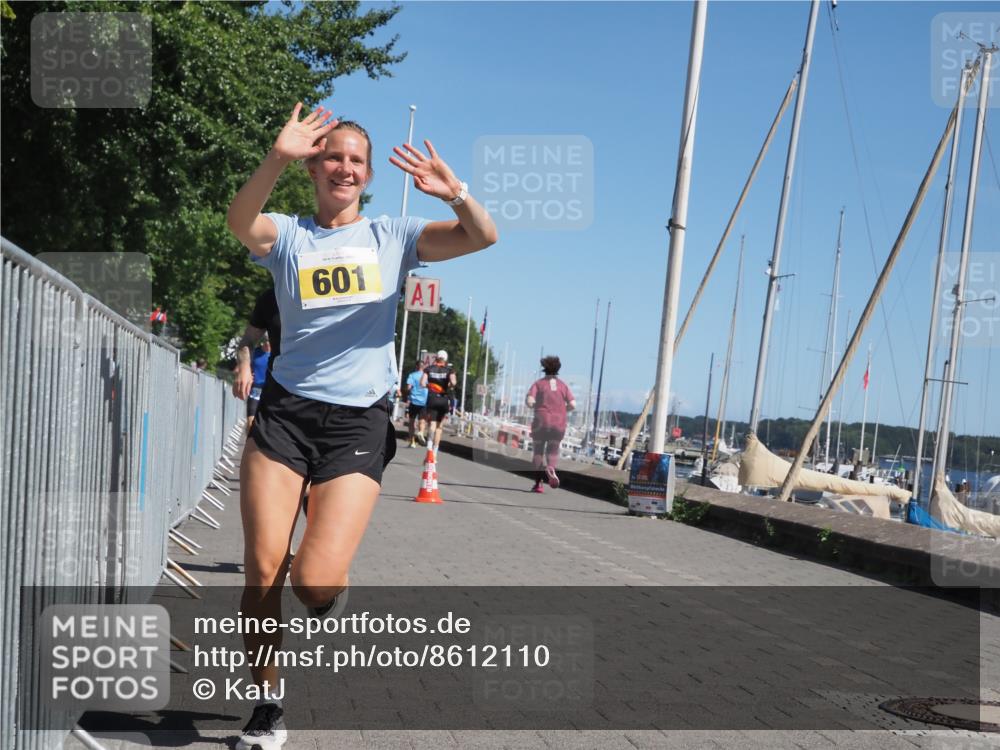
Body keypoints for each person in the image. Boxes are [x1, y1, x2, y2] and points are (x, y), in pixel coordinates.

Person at [226, 102, 497, 749]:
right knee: (261, 570)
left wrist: (456, 193)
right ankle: (267, 704)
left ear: (368, 175)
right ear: (314, 167)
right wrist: (275, 155)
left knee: (311, 582)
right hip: (286, 414)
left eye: (355, 160)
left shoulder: (394, 237)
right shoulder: (289, 236)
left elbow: (482, 237)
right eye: (332, 157)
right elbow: (240, 222)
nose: (343, 167)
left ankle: (323, 585)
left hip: (356, 423)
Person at [233, 288, 282, 434]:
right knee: (251, 424)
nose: (267, 344)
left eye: (269, 342)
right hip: (256, 391)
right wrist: (243, 370)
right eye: (265, 341)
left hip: (272, 388)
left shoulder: (274, 353)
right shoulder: (258, 353)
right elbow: (246, 346)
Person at [525, 356, 575, 493]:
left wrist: (535, 405)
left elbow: (530, 401)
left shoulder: (538, 384)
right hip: (558, 423)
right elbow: (573, 404)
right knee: (553, 449)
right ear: (558, 369)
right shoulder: (563, 385)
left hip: (541, 421)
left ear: (544, 368)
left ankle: (538, 484)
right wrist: (563, 409)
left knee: (538, 452)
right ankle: (551, 467)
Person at [420, 350, 456, 449]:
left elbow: (422, 383)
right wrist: (448, 385)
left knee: (432, 424)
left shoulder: (428, 369)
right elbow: (453, 382)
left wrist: (430, 386)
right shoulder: (449, 370)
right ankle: (435, 452)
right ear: (446, 359)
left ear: (436, 358)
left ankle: (429, 446)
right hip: (443, 399)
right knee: (439, 427)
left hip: (432, 399)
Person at [403, 360, 429, 447]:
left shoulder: (412, 375)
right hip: (424, 401)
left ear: (416, 366)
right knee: (422, 420)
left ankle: (412, 442)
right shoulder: (426, 376)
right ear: (423, 367)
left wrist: (408, 392)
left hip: (414, 401)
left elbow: (408, 387)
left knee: (411, 422)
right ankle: (421, 432)